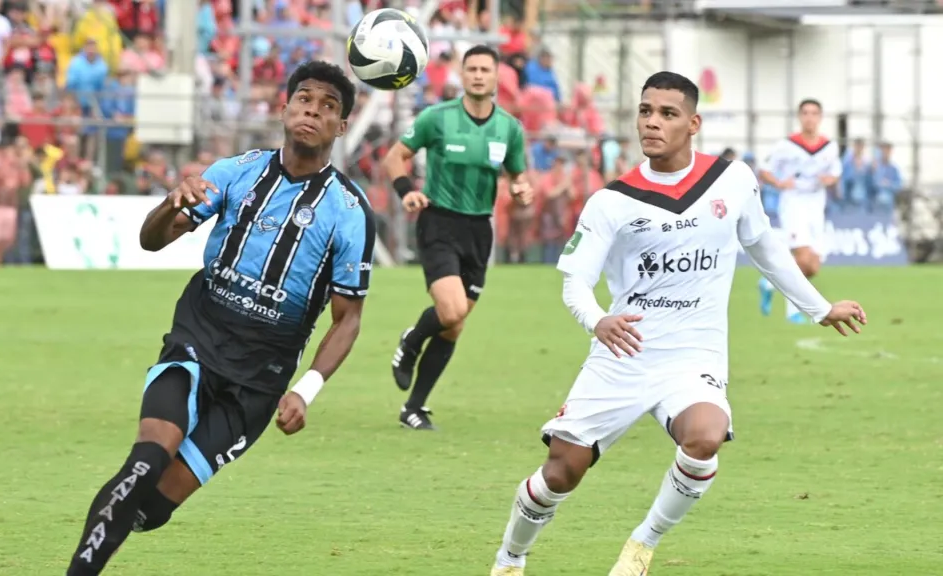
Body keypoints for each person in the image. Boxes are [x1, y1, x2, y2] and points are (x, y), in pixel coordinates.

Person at [488, 72, 867, 576]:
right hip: (623, 354)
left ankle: (641, 546)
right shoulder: (612, 201)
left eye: (667, 114)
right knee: (561, 472)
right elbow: (575, 282)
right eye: (645, 111)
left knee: (707, 436)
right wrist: (598, 320)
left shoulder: (732, 180)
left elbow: (765, 247)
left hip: (693, 355)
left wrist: (819, 307)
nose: (652, 122)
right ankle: (510, 557)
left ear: (693, 123)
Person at [66, 61, 375, 575]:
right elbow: (152, 239)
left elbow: (348, 318)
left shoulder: (350, 211)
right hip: (196, 345)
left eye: (328, 107)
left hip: (258, 383)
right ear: (284, 107)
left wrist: (307, 389)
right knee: (144, 463)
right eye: (304, 98)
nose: (312, 111)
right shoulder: (235, 172)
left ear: (341, 127)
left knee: (150, 509)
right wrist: (171, 204)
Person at [382, 44, 533, 430]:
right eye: (472, 69)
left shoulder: (510, 129)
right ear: (462, 76)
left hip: (479, 231)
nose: (479, 75)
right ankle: (411, 341)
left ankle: (413, 408)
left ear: (497, 77)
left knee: (454, 326)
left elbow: (518, 176)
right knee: (450, 311)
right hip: (439, 222)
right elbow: (394, 157)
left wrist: (521, 189)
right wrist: (407, 191)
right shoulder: (437, 118)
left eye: (485, 69)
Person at [757, 99, 842, 322]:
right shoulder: (786, 145)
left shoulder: (829, 147)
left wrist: (830, 179)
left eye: (814, 113)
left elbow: (835, 172)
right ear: (799, 117)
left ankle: (768, 284)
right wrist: (778, 182)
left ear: (820, 117)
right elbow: (764, 169)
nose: (810, 118)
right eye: (805, 113)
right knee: (802, 258)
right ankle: (792, 311)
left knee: (813, 266)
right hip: (794, 204)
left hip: (816, 206)